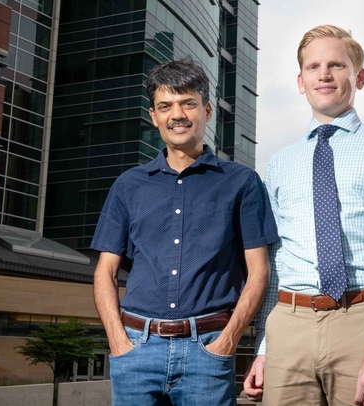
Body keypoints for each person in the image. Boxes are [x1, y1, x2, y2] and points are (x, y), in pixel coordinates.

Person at [243, 25, 364, 406]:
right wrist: (265, 346)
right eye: (313, 67)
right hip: (289, 325)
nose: (324, 75)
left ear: (358, 76)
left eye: (336, 65)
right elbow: (277, 262)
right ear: (300, 81)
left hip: (362, 320)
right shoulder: (279, 163)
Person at [91, 57, 278, 406]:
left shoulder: (242, 183)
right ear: (153, 117)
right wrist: (117, 340)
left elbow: (259, 271)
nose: (177, 114)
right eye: (165, 106)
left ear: (207, 110)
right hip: (135, 350)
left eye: (187, 103)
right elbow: (106, 270)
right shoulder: (128, 185)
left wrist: (227, 341)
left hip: (207, 352)